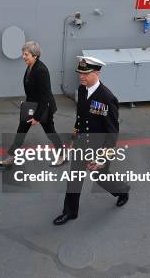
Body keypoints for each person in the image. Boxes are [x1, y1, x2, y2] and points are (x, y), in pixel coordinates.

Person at [53, 56, 130, 226]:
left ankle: (122, 191)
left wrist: (102, 158)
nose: (81, 76)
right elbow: (80, 118)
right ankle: (70, 212)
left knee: (100, 176)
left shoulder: (107, 97)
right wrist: (73, 139)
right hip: (82, 143)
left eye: (86, 73)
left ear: (97, 74)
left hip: (99, 147)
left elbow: (112, 132)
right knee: (74, 178)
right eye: (80, 72)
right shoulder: (82, 90)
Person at [0, 41, 64, 167]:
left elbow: (45, 96)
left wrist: (37, 117)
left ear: (35, 55)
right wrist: (26, 103)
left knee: (50, 132)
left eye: (26, 54)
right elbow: (32, 91)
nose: (23, 57)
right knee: (21, 131)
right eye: (23, 54)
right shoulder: (30, 67)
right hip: (31, 106)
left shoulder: (41, 70)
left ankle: (62, 155)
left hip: (44, 108)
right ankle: (10, 158)